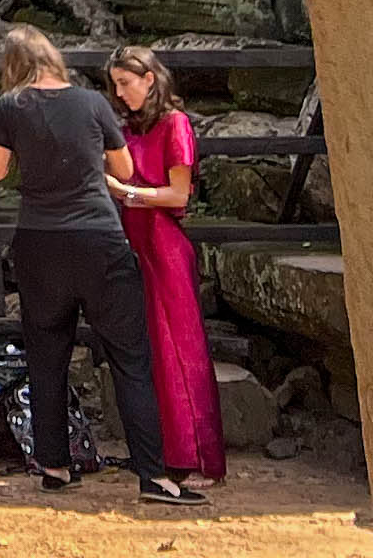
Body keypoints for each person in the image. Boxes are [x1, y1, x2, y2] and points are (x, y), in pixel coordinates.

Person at [0, 26, 190, 502]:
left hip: (39, 242)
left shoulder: (10, 107)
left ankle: (54, 465)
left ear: (11, 66)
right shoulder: (94, 103)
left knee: (46, 358)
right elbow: (124, 171)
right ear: (54, 58)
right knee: (130, 359)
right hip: (99, 240)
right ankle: (153, 475)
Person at [102, 43, 224, 483]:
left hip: (165, 247)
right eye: (115, 85)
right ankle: (161, 452)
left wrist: (126, 193)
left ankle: (189, 454)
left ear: (149, 79)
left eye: (126, 84)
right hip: (135, 243)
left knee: (178, 350)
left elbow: (178, 194)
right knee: (149, 353)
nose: (120, 94)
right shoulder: (129, 128)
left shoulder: (176, 124)